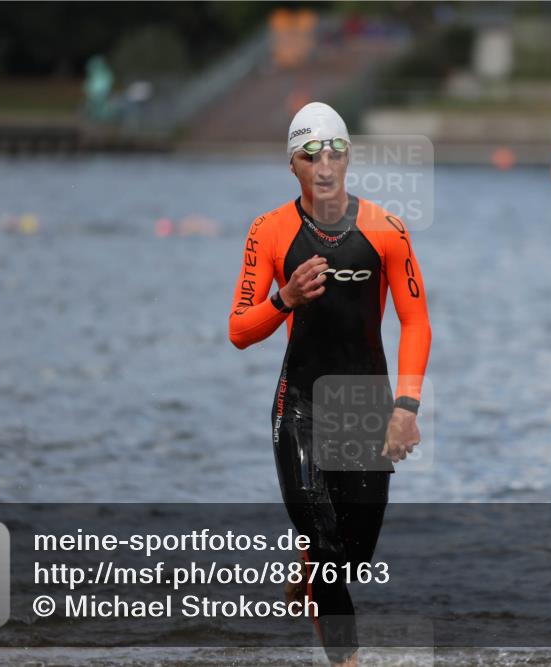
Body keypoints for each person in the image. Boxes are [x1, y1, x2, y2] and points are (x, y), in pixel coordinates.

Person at [228, 102, 431, 666]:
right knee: (326, 540)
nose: (324, 164)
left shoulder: (387, 230)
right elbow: (239, 330)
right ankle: (348, 662)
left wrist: (406, 407)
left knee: (355, 556)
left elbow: (416, 322)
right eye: (309, 154)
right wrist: (284, 299)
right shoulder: (268, 232)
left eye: (335, 151)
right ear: (291, 165)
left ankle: (307, 567)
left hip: (366, 406)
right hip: (300, 405)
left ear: (349, 158)